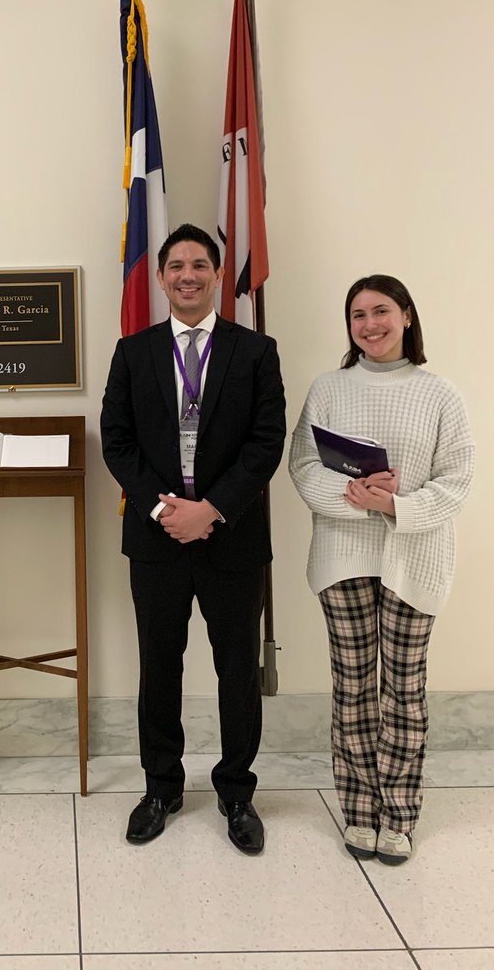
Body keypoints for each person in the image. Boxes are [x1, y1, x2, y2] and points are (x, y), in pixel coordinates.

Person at [101, 223, 286, 852]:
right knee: (160, 668)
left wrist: (210, 510)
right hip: (156, 541)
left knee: (237, 670)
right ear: (160, 277)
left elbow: (266, 445)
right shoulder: (133, 351)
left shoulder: (256, 351)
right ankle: (162, 787)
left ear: (215, 274)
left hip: (231, 539)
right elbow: (117, 441)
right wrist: (165, 511)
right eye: (176, 265)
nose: (188, 275)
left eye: (200, 265)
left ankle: (237, 792)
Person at [289, 274, 474, 865]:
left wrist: (394, 503)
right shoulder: (327, 388)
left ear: (408, 317)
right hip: (343, 553)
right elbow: (302, 464)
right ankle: (359, 811)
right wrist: (354, 492)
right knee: (352, 691)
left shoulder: (440, 393)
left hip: (413, 556)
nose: (370, 324)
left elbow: (457, 480)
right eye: (358, 315)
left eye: (381, 311)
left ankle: (399, 815)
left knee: (403, 694)